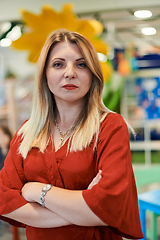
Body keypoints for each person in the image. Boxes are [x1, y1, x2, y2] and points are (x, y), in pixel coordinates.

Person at [0, 29, 143, 240]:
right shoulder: (26, 132)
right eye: (58, 64)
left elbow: (110, 204)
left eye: (81, 64)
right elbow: (4, 200)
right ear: (44, 74)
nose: (70, 73)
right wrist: (84, 208)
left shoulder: (110, 126)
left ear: (93, 74)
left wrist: (37, 191)